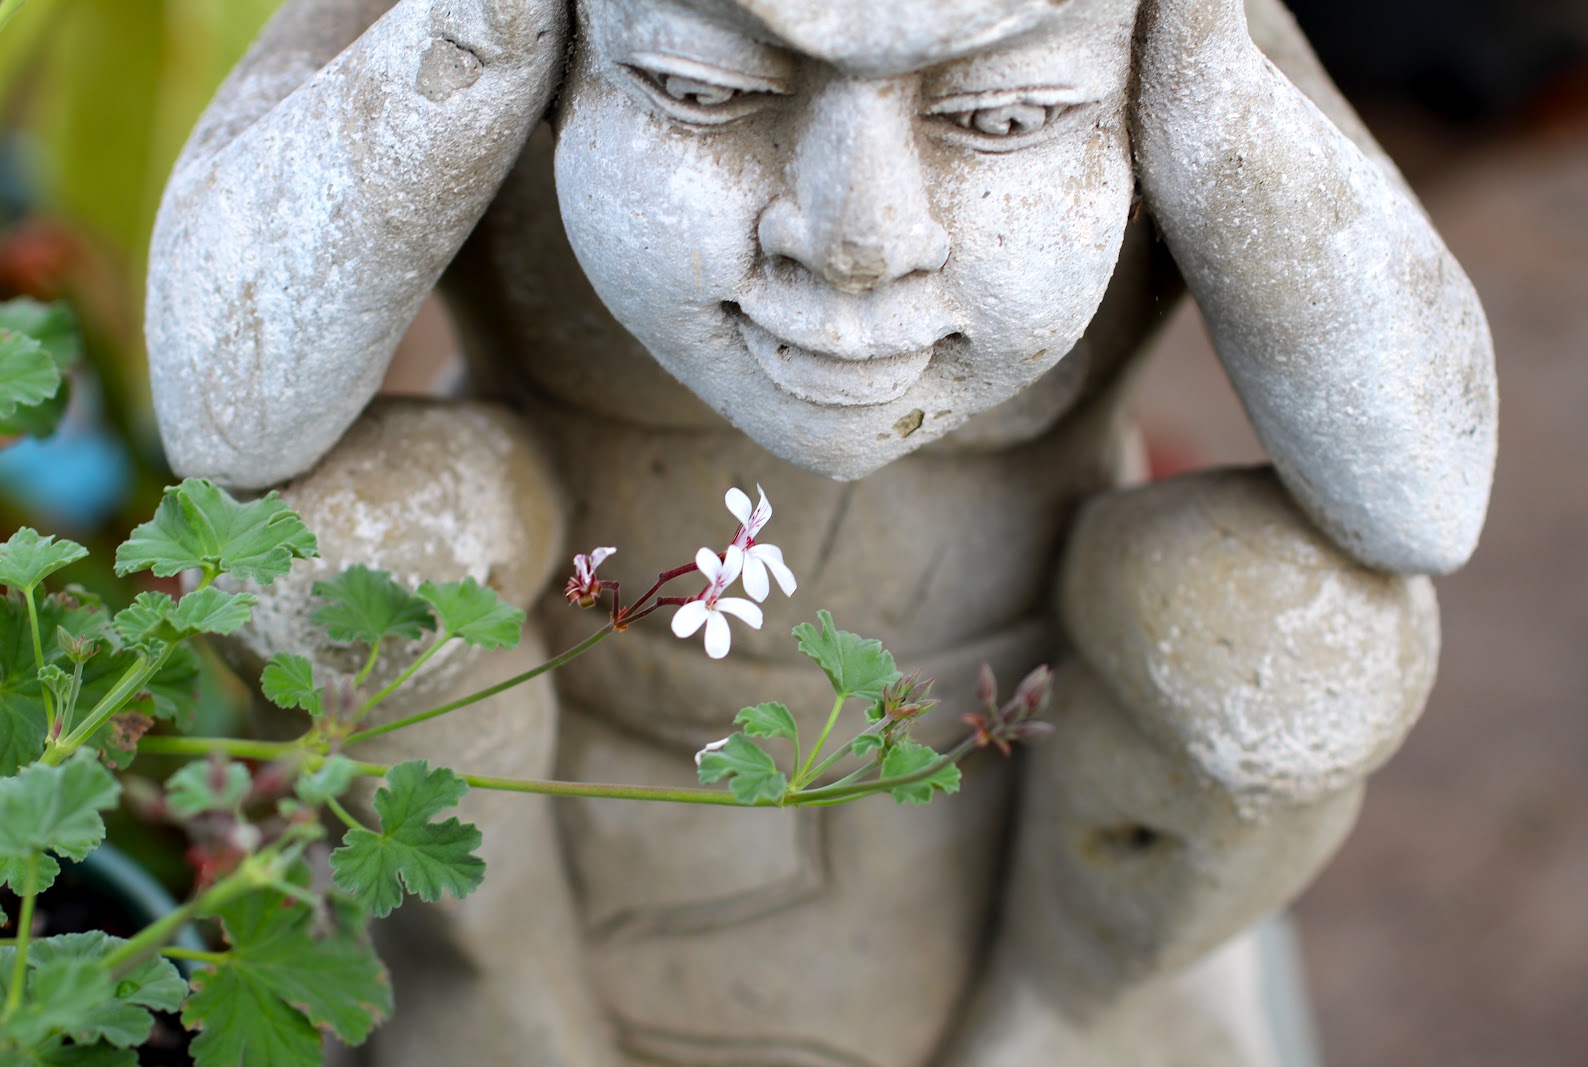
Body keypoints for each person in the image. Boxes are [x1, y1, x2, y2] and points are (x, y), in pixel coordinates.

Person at [145, 1, 1495, 1063]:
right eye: (703, 90)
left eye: (1002, 115)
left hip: (1017, 717)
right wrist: (462, 48)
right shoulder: (489, 27)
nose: (859, 238)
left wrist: (1220, 100)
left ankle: (1072, 1013)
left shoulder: (1172, 44)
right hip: (552, 707)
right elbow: (225, 418)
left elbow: (1421, 496)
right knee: (341, 545)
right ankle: (492, 986)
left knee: (1308, 631)